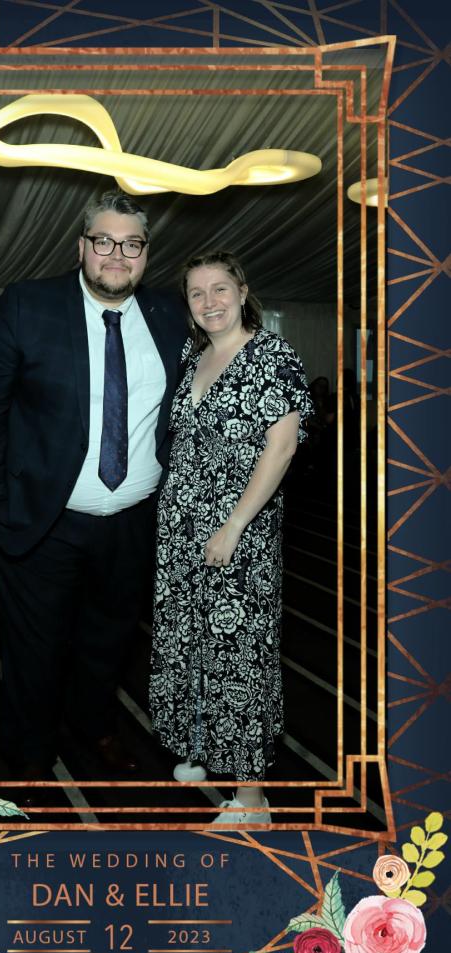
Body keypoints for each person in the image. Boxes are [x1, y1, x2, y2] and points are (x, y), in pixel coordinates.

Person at [0, 189, 188, 792]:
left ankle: (95, 727)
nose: (118, 255)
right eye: (104, 241)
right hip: (44, 519)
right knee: (36, 648)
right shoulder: (28, 305)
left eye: (132, 244)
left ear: (146, 253)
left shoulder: (170, 315)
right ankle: (29, 752)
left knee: (108, 640)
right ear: (81, 246)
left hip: (135, 520)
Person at [149, 250, 313, 824]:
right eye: (197, 293)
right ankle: (201, 746)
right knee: (188, 639)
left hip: (238, 532)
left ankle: (251, 800)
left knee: (238, 656)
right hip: (182, 528)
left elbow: (281, 448)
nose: (210, 301)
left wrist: (234, 526)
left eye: (220, 288)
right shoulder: (192, 356)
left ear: (243, 292)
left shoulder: (272, 355)